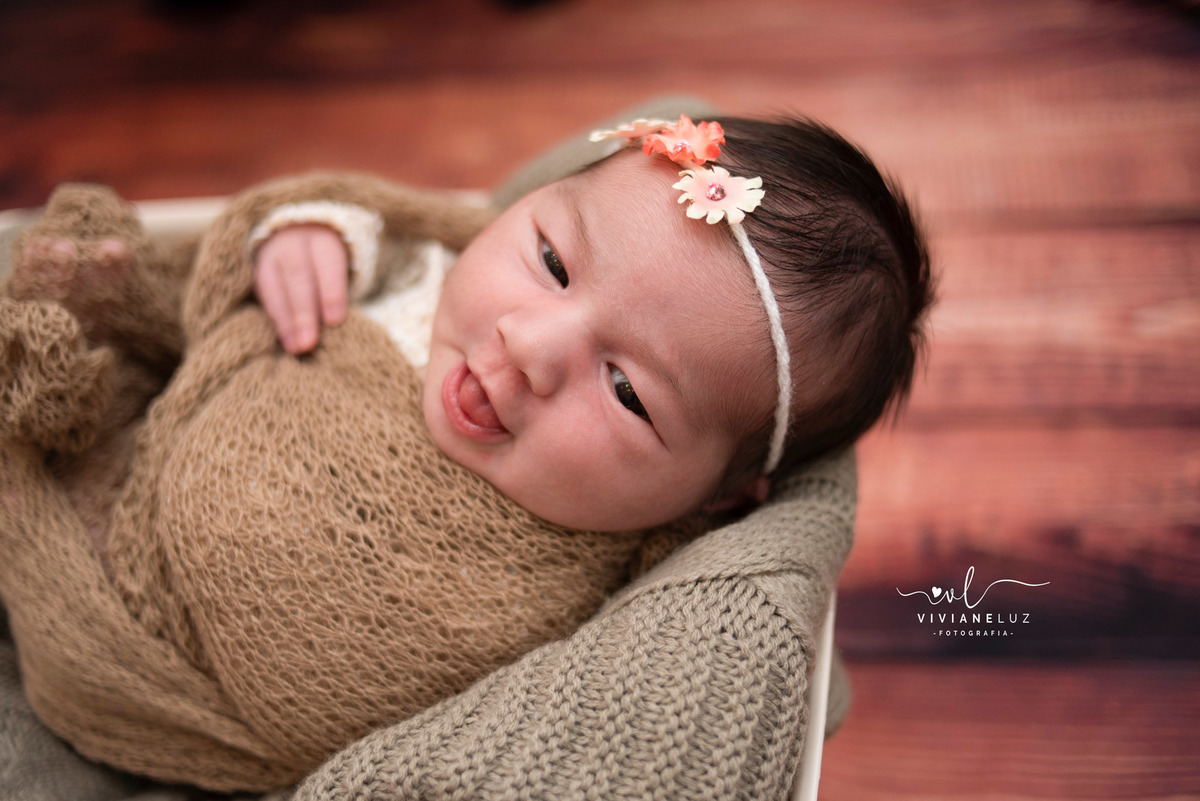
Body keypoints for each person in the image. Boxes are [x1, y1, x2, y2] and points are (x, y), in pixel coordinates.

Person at [0, 112, 931, 792]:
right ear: (527, 208)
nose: (530, 345)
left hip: (170, 701)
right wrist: (309, 238)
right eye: (554, 263)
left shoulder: (631, 570)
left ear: (721, 500)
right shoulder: (426, 270)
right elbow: (359, 225)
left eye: (627, 392)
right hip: (125, 487)